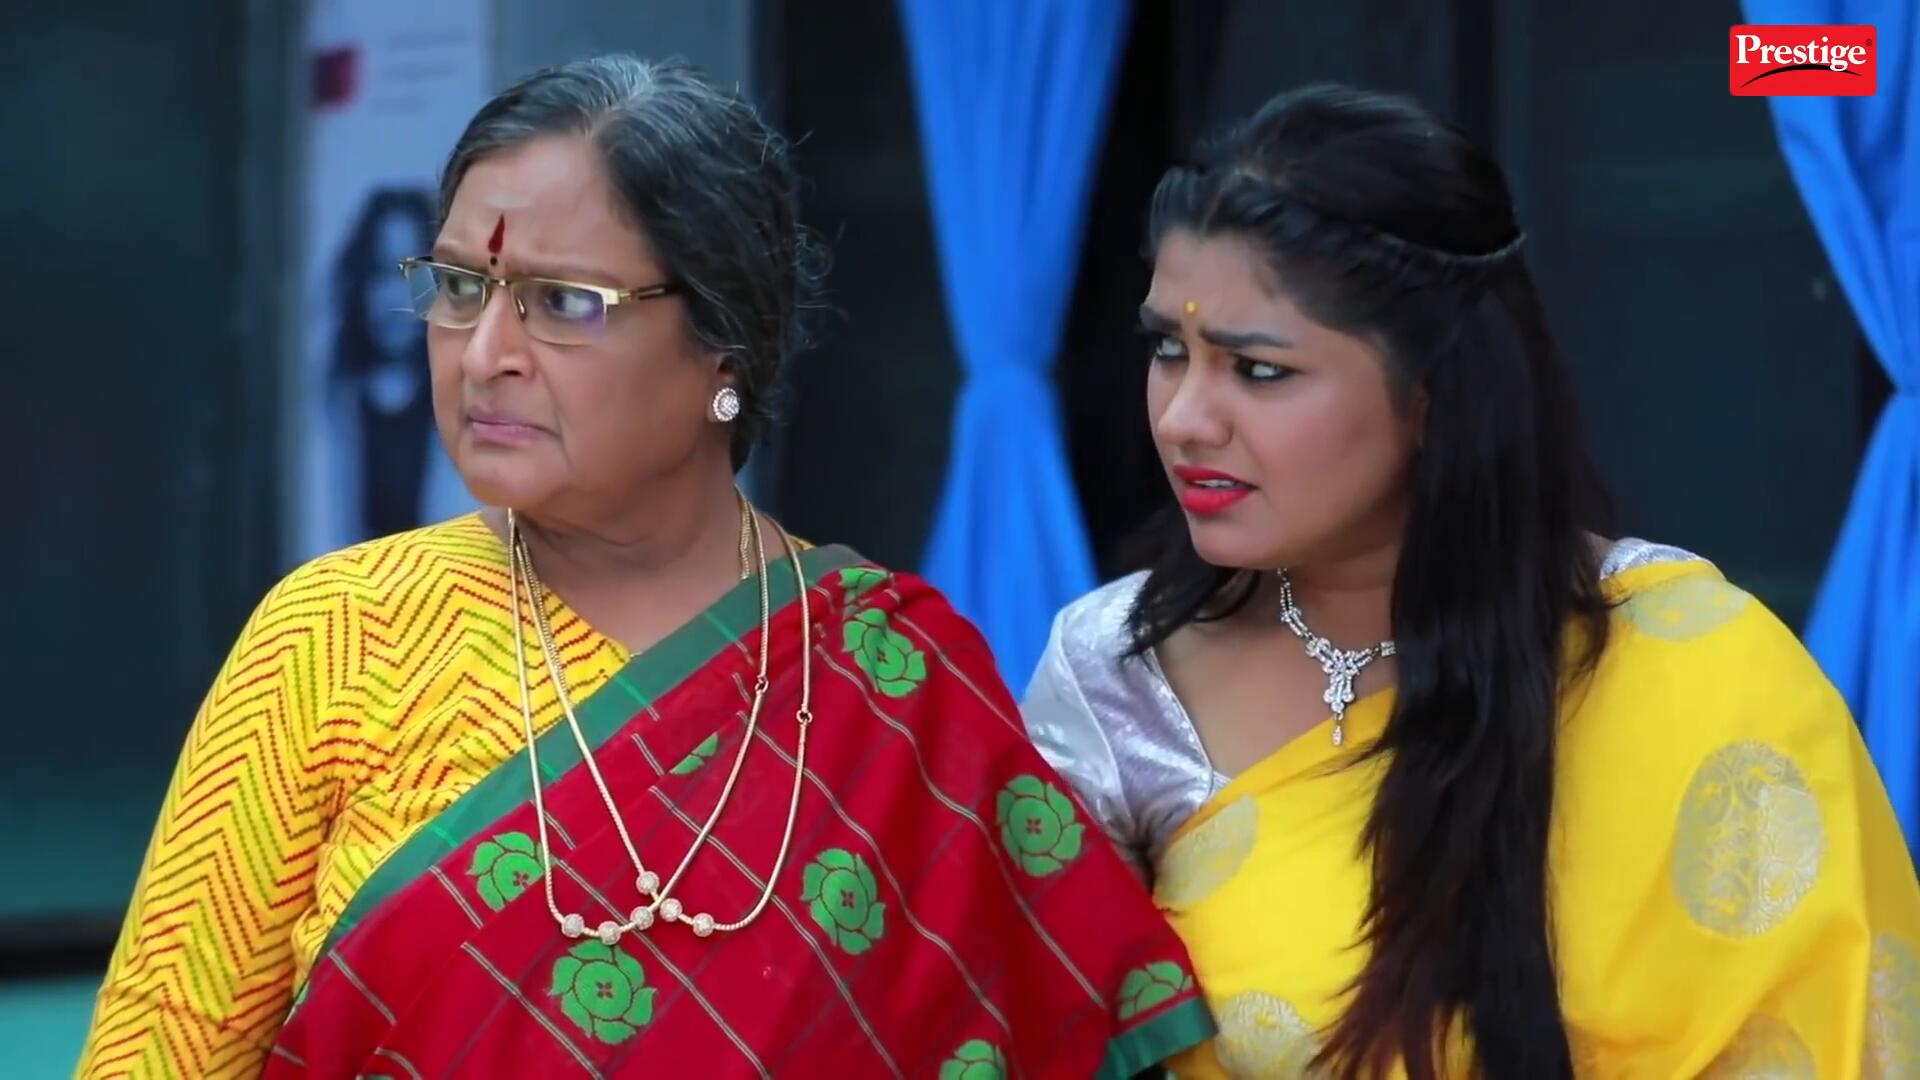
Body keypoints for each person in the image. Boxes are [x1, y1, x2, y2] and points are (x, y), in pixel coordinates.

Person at [78, 56, 1210, 1078]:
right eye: (459, 287)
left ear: (725, 344)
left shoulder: (894, 680)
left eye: (563, 303)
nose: (485, 355)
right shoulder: (341, 633)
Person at [1021, 83, 1920, 1079]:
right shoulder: (1119, 677)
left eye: (1257, 370)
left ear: (1434, 393)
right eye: (1167, 350)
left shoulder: (1691, 663)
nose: (1184, 417)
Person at [319, 186, 471, 546]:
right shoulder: (334, 406)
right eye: (379, 274)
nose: (394, 298)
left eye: (412, 276)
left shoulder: (470, 405)